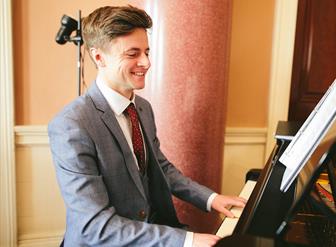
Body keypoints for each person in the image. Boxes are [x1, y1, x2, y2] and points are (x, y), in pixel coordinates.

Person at [48, 5, 246, 247]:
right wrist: (187, 240)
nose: (146, 62)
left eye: (147, 52)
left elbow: (160, 168)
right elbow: (95, 226)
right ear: (99, 57)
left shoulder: (142, 108)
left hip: (152, 231)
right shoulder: (71, 125)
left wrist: (211, 198)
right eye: (133, 54)